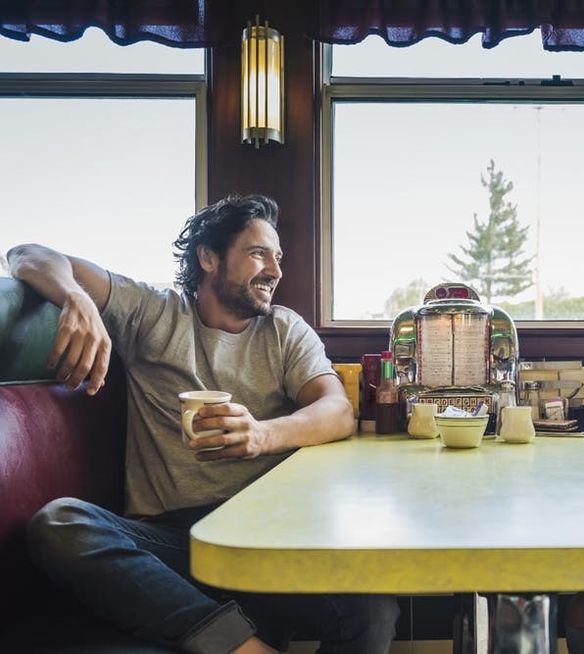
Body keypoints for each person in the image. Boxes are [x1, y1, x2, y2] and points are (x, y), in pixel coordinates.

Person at [7, 195, 398, 654]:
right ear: (209, 256)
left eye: (278, 257)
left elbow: (337, 411)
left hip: (265, 543)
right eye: (258, 253)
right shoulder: (153, 313)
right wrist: (77, 298)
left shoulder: (284, 330)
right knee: (61, 522)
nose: (275, 269)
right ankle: (243, 648)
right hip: (174, 546)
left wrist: (262, 435)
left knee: (373, 606)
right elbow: (26, 254)